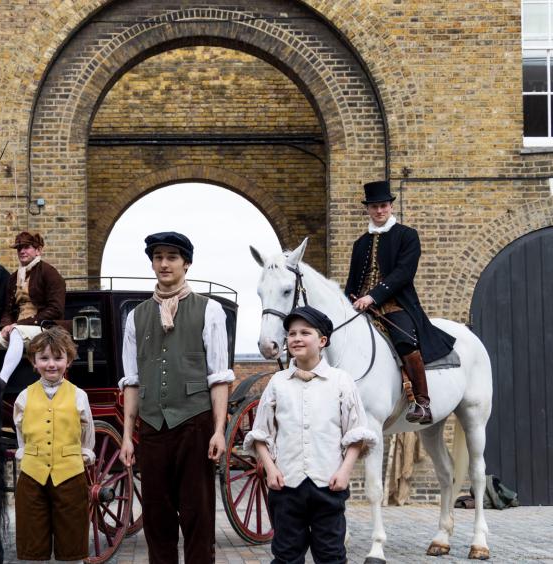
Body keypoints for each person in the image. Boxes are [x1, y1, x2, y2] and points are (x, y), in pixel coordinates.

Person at [118, 232, 233, 564]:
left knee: (197, 514)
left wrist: (218, 430)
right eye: (158, 257)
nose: (164, 263)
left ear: (187, 263)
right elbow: (133, 382)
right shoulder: (136, 316)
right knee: (156, 515)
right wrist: (127, 436)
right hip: (153, 425)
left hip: (194, 424)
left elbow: (219, 376)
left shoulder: (209, 310)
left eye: (171, 257)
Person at [244, 305, 378, 564]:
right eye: (292, 333)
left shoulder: (341, 381)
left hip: (328, 485)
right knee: (286, 555)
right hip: (286, 487)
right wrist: (270, 469)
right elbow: (260, 433)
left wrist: (345, 471)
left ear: (323, 340)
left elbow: (357, 433)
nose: (296, 338)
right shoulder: (278, 383)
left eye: (305, 332)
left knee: (331, 555)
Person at [344, 180, 456, 424]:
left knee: (405, 340)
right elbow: (352, 281)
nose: (379, 211)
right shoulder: (360, 243)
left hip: (396, 304)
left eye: (383, 206)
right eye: (374, 207)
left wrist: (372, 296)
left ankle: (422, 402)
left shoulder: (407, 236)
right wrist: (350, 299)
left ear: (390, 207)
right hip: (362, 307)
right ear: (368, 209)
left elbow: (403, 274)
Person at [13, 326, 94, 561]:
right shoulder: (24, 397)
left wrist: (84, 456)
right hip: (32, 477)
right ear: (34, 362)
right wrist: (26, 455)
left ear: (68, 361)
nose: (51, 364)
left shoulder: (79, 395)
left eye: (58, 358)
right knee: (33, 545)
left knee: (72, 544)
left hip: (70, 476)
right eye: (44, 358)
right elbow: (22, 433)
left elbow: (87, 433)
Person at [0, 231, 66, 383]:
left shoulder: (49, 273)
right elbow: (7, 309)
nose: (22, 251)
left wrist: (17, 325)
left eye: (27, 247)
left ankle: (2, 380)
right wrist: (6, 325)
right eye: (19, 248)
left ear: (38, 250)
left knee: (17, 333)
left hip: (44, 328)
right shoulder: (14, 277)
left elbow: (55, 309)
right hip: (16, 329)